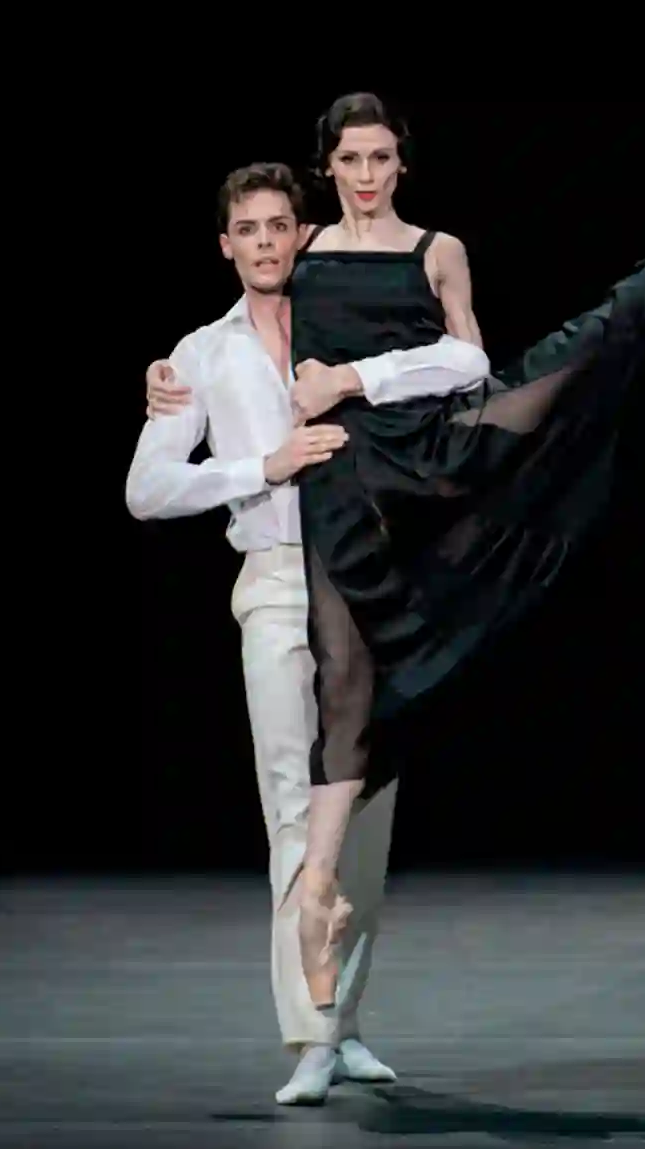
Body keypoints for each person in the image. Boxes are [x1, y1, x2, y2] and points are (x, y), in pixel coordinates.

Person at [146, 97, 645, 1015]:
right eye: (350, 159)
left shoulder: (434, 250)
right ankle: (316, 926)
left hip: (419, 457)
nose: (366, 174)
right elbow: (244, 320)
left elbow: (467, 363)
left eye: (381, 157)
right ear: (326, 171)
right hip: (336, 489)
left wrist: (354, 377)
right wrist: (177, 380)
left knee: (568, 363)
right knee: (342, 710)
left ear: (400, 164)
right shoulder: (293, 265)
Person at [126, 159, 490, 1105]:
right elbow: (146, 489)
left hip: (369, 583)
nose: (264, 243)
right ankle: (312, 1033)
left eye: (278, 226)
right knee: (292, 803)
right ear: (225, 245)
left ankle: (344, 1022)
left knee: (362, 816)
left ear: (303, 235)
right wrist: (264, 465)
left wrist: (366, 376)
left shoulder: (347, 325)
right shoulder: (199, 355)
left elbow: (461, 363)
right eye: (247, 229)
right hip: (280, 582)